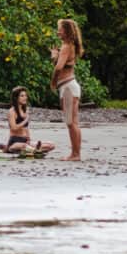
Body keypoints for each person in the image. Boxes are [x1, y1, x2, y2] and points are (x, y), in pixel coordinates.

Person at [51, 18, 84, 161]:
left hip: (68, 87)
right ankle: (76, 153)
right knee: (72, 122)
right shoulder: (68, 46)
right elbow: (62, 63)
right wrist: (55, 57)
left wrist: (52, 81)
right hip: (68, 86)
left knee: (71, 122)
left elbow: (59, 68)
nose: (58, 31)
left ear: (67, 31)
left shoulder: (66, 46)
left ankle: (75, 154)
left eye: (60, 29)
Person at [6, 86, 55, 154]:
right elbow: (14, 128)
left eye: (26, 95)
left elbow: (26, 128)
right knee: (23, 146)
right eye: (22, 96)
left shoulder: (25, 110)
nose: (25, 98)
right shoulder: (12, 111)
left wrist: (28, 138)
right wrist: (25, 120)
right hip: (15, 142)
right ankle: (34, 150)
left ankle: (33, 150)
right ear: (16, 98)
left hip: (25, 141)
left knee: (51, 145)